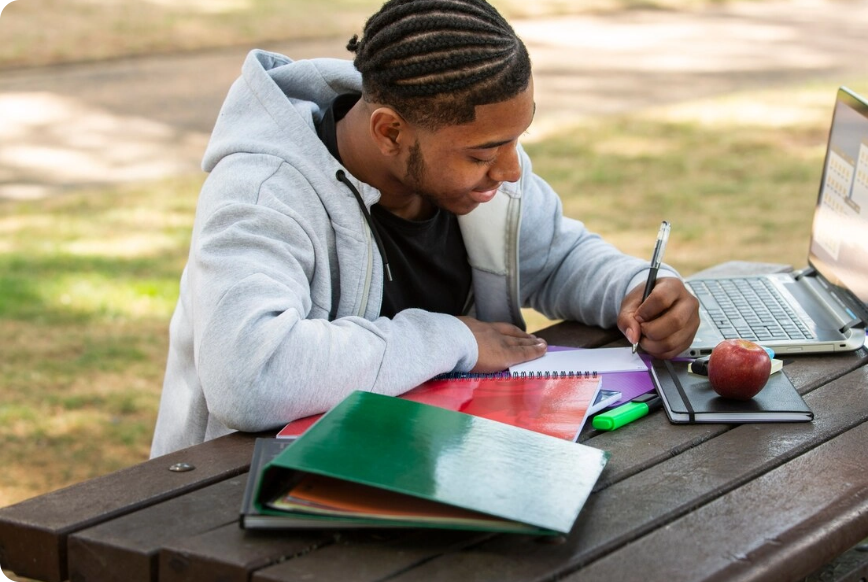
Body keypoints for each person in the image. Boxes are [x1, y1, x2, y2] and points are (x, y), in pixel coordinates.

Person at [150, 0, 700, 457]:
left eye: (517, 138)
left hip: (439, 463)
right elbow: (250, 372)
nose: (510, 171)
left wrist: (637, 289)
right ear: (389, 132)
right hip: (255, 493)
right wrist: (449, 338)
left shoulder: (475, 171)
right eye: (485, 152)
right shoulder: (262, 190)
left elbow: (555, 258)